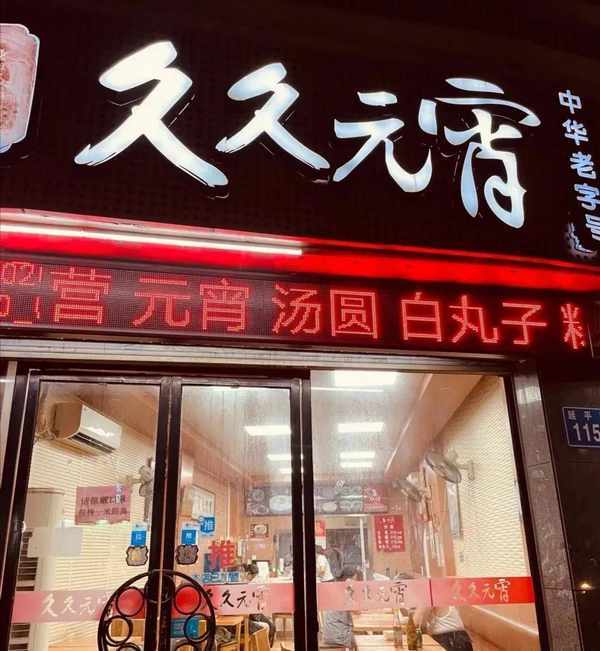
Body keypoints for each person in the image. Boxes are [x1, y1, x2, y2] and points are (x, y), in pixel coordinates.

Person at [321, 566, 358, 650]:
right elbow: (356, 610)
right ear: (348, 579)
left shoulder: (337, 588)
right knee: (361, 640)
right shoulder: (344, 591)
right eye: (354, 579)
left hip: (329, 634)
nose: (355, 582)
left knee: (358, 636)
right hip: (338, 636)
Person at [245, 563, 276, 646]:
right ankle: (266, 647)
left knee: (270, 626)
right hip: (254, 614)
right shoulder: (255, 583)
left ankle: (266, 647)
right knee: (270, 626)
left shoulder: (251, 584)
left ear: (248, 573)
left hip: (255, 613)